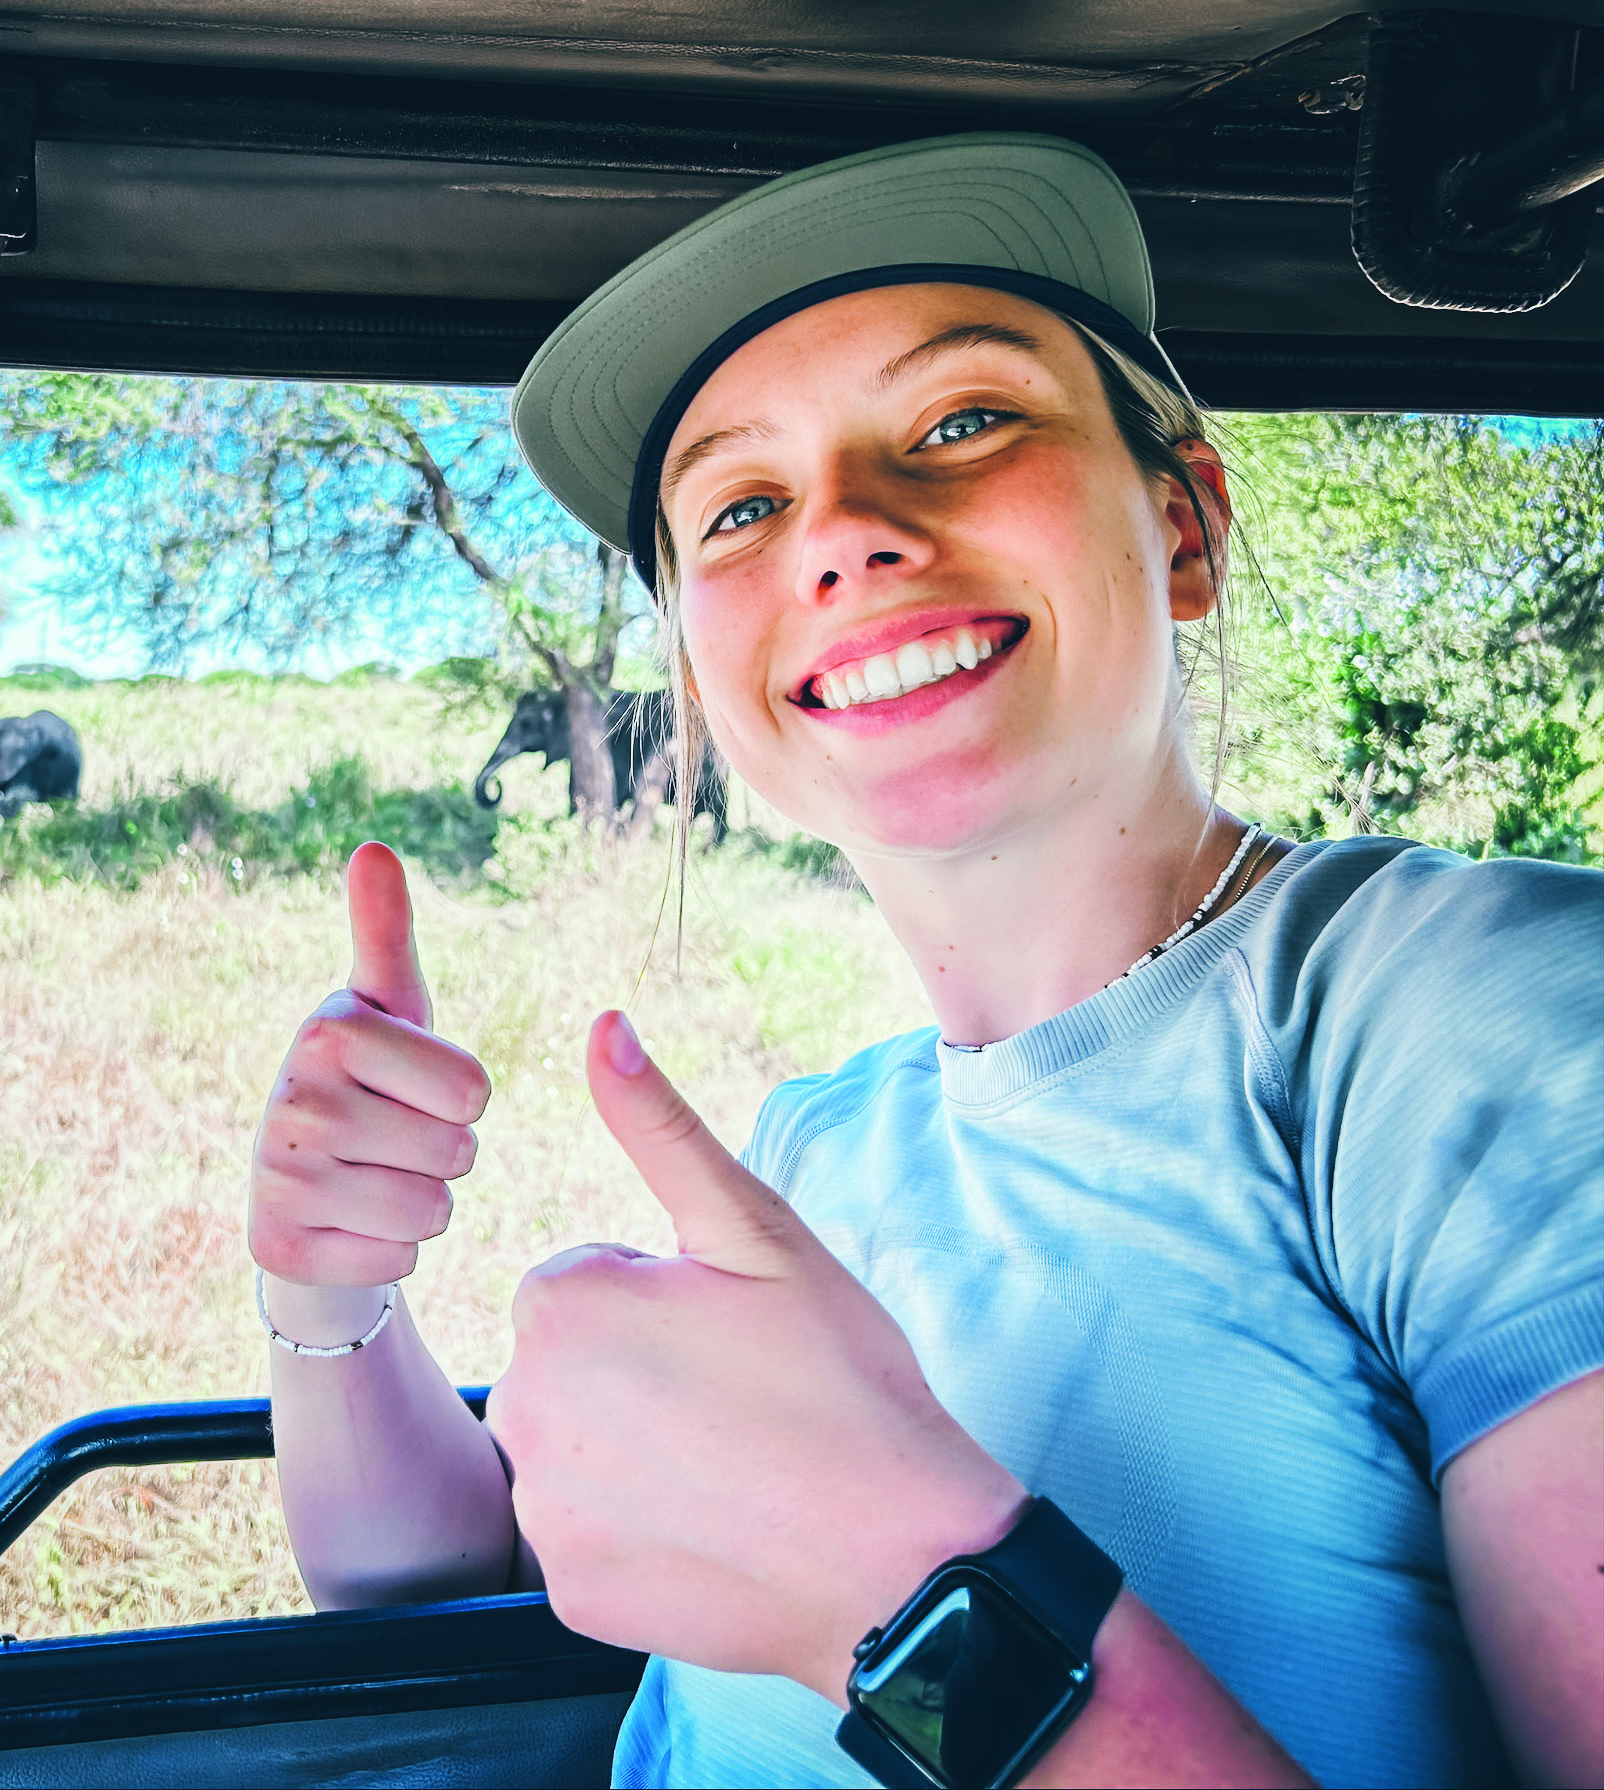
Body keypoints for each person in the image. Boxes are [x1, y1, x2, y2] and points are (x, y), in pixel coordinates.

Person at [244, 134, 1603, 1790]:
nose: (842, 533)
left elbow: (850, 1593)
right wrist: (331, 1292)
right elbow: (440, 1598)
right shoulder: (823, 1146)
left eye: (963, 421)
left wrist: (906, 1595)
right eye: (741, 506)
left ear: (1182, 527)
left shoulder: (1484, 1015)